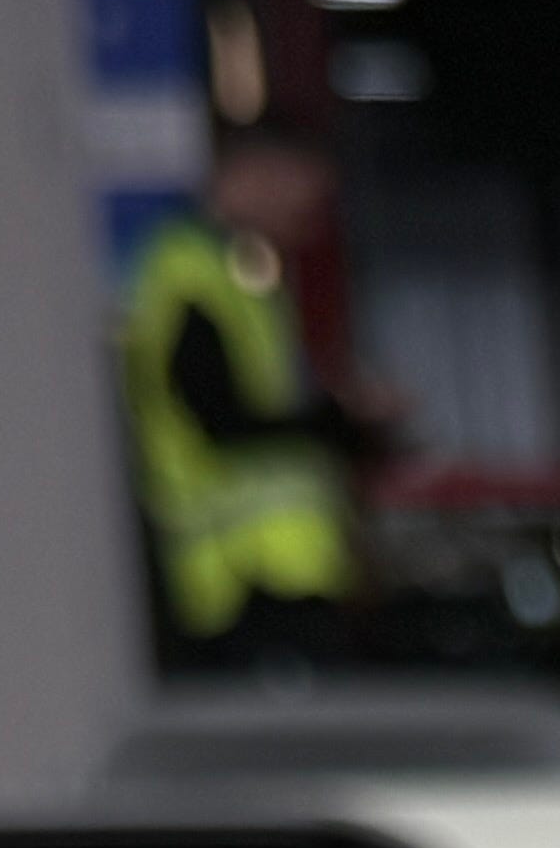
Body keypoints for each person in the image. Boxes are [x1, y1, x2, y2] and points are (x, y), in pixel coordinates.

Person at [121, 126, 393, 663]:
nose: (307, 224)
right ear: (254, 177)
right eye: (301, 202)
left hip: (267, 576)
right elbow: (220, 420)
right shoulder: (190, 276)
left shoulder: (230, 274)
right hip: (244, 578)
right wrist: (337, 422)